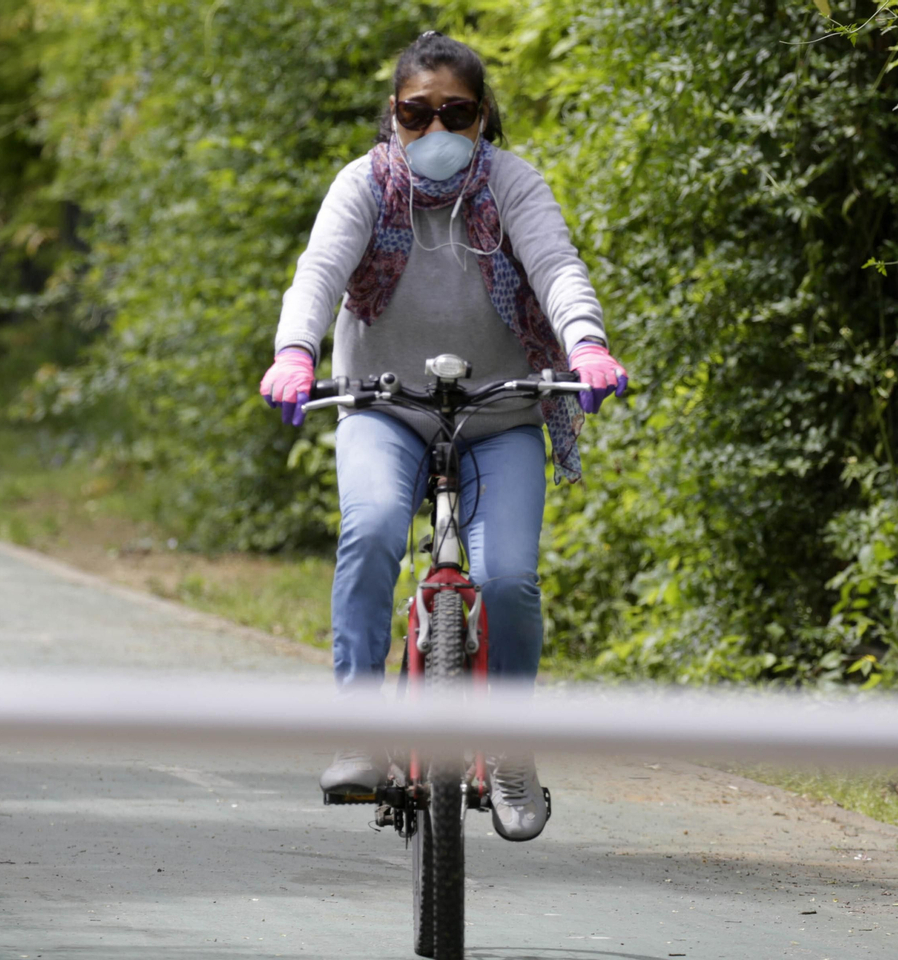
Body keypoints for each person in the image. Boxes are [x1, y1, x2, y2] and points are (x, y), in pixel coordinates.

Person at [259, 31, 628, 843]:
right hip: (385, 409)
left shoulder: (514, 186)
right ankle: (360, 728)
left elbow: (557, 266)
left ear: (484, 117)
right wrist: (295, 352)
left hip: (499, 415)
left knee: (510, 582)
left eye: (455, 114)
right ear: (391, 116)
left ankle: (510, 744)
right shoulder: (363, 186)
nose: (435, 132)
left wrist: (588, 343)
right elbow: (319, 272)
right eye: (416, 114)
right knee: (372, 532)